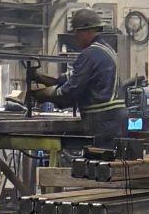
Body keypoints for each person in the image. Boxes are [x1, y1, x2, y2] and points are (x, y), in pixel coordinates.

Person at [33, 16, 125, 148]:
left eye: (77, 33)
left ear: (87, 31)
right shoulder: (105, 50)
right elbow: (72, 79)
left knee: (99, 158)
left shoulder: (90, 54)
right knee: (109, 157)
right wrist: (40, 78)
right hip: (112, 120)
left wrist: (43, 95)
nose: (76, 38)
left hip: (102, 120)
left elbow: (73, 89)